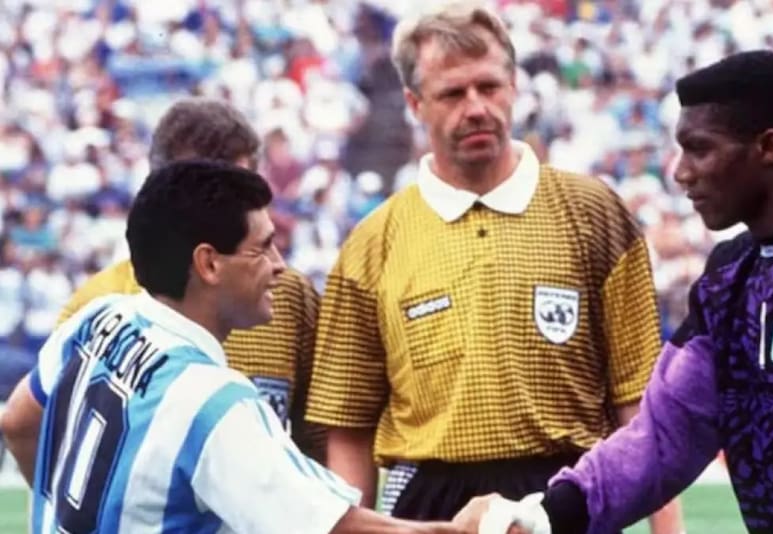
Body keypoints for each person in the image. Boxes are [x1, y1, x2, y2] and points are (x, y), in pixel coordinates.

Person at [458, 50, 773, 534]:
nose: (680, 172)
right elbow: (664, 436)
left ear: (769, 147)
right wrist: (547, 513)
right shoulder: (728, 274)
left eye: (700, 148)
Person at [304, 3, 682, 533]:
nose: (476, 107)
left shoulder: (593, 213)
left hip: (569, 492)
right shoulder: (372, 244)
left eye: (489, 86)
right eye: (453, 93)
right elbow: (350, 426)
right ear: (415, 103)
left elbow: (639, 402)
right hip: (426, 502)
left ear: (515, 86)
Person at [0, 161, 465, 533]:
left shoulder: (97, 317)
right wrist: (466, 529)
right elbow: (336, 528)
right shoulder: (214, 402)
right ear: (208, 264)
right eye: (262, 248)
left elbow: (19, 421)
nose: (280, 266)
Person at [53, 98, 325, 463]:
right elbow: (38, 430)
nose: (222, 209)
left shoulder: (286, 294)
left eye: (236, 191)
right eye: (203, 191)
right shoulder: (100, 304)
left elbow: (322, 436)